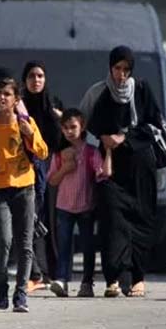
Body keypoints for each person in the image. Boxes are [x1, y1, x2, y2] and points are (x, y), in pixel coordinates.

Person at [80, 46, 166, 298]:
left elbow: (155, 125)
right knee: (111, 222)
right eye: (117, 69)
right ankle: (113, 277)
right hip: (109, 169)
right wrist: (104, 140)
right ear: (110, 68)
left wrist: (124, 137)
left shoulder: (141, 90)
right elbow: (82, 124)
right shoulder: (98, 92)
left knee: (140, 219)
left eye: (126, 70)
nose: (121, 75)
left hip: (141, 167)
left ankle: (138, 277)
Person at [0, 69, 48, 313]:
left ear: (15, 99)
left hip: (25, 186)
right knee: (2, 241)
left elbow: (42, 153)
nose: (2, 98)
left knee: (25, 243)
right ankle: (1, 287)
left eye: (7, 94)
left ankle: (20, 294)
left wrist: (31, 135)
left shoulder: (26, 123)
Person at [48, 108, 112, 298]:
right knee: (64, 243)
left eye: (73, 127)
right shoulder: (60, 153)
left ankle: (87, 282)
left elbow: (102, 174)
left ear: (82, 126)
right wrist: (66, 168)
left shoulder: (90, 152)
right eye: (65, 128)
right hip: (64, 206)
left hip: (86, 206)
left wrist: (108, 152)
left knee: (87, 246)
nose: (69, 131)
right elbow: (52, 180)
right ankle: (62, 279)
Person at [21, 61, 63, 293]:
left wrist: (58, 117)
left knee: (51, 222)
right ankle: (34, 271)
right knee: (30, 220)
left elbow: (62, 141)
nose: (36, 81)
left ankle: (54, 271)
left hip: (50, 171)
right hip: (25, 170)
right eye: (31, 76)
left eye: (40, 76)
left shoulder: (53, 106)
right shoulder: (20, 107)